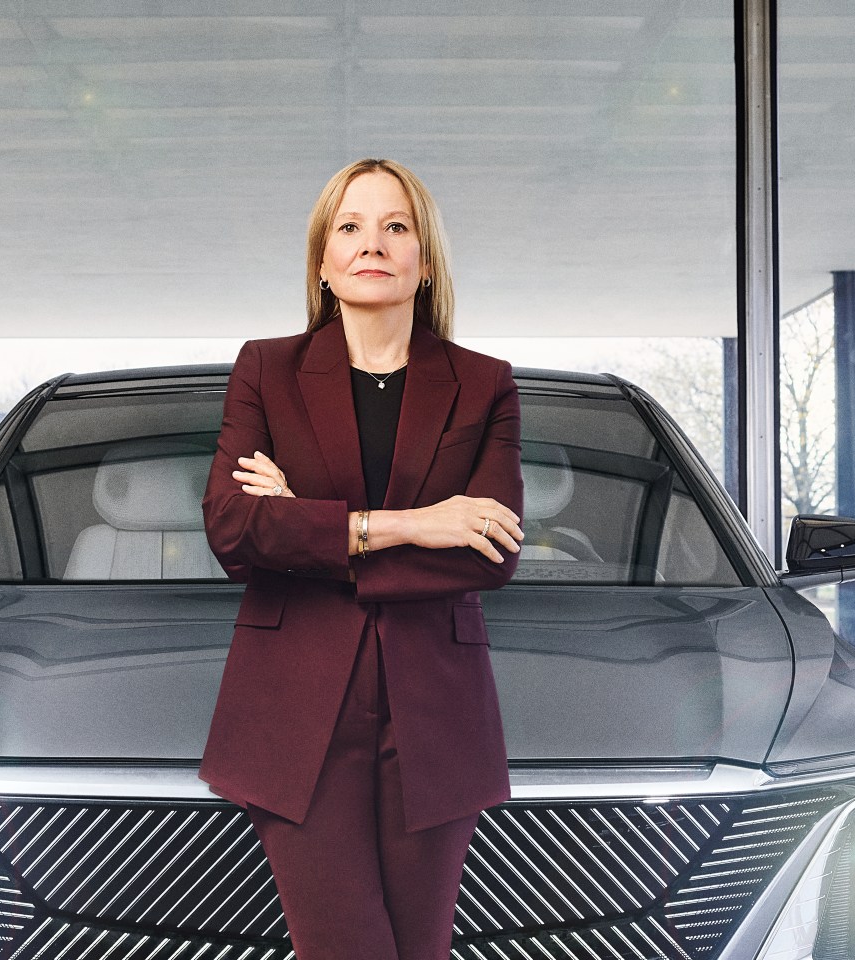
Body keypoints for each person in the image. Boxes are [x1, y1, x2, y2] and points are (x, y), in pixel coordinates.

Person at [199, 157, 525, 960]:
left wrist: (308, 527)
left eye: (395, 226)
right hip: (293, 714)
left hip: (436, 717)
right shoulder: (267, 371)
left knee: (421, 950)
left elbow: (490, 551)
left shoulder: (484, 385)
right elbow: (235, 532)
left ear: (424, 258)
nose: (370, 243)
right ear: (322, 260)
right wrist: (417, 524)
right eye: (349, 226)